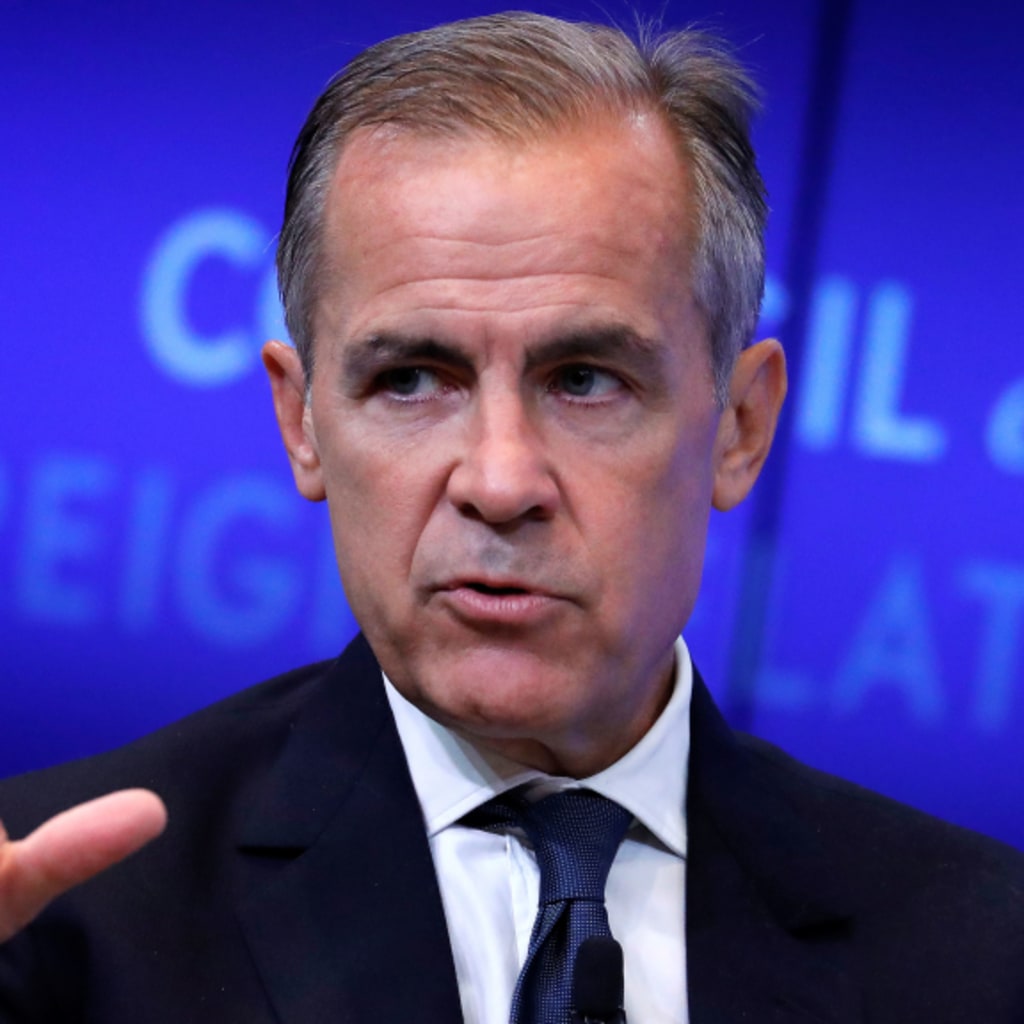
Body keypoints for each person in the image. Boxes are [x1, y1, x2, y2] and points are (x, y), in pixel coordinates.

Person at [1, 11, 1022, 1023]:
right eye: (411, 379)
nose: (498, 481)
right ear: (301, 422)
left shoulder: (982, 958)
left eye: (584, 379)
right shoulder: (58, 923)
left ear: (739, 427)